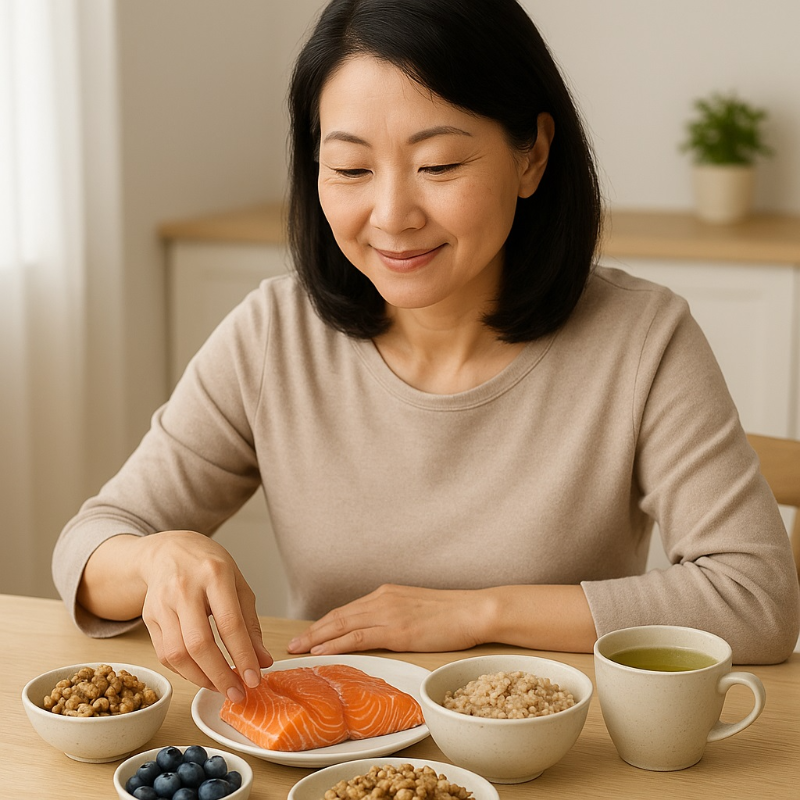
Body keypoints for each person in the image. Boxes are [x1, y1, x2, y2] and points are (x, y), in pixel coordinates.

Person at [53, 0, 799, 707]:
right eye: (351, 169)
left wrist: (475, 613)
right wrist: (156, 559)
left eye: (438, 165)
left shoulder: (642, 337)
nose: (392, 216)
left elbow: (756, 598)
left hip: (559, 753)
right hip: (338, 758)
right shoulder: (274, 334)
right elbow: (88, 547)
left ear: (533, 156)